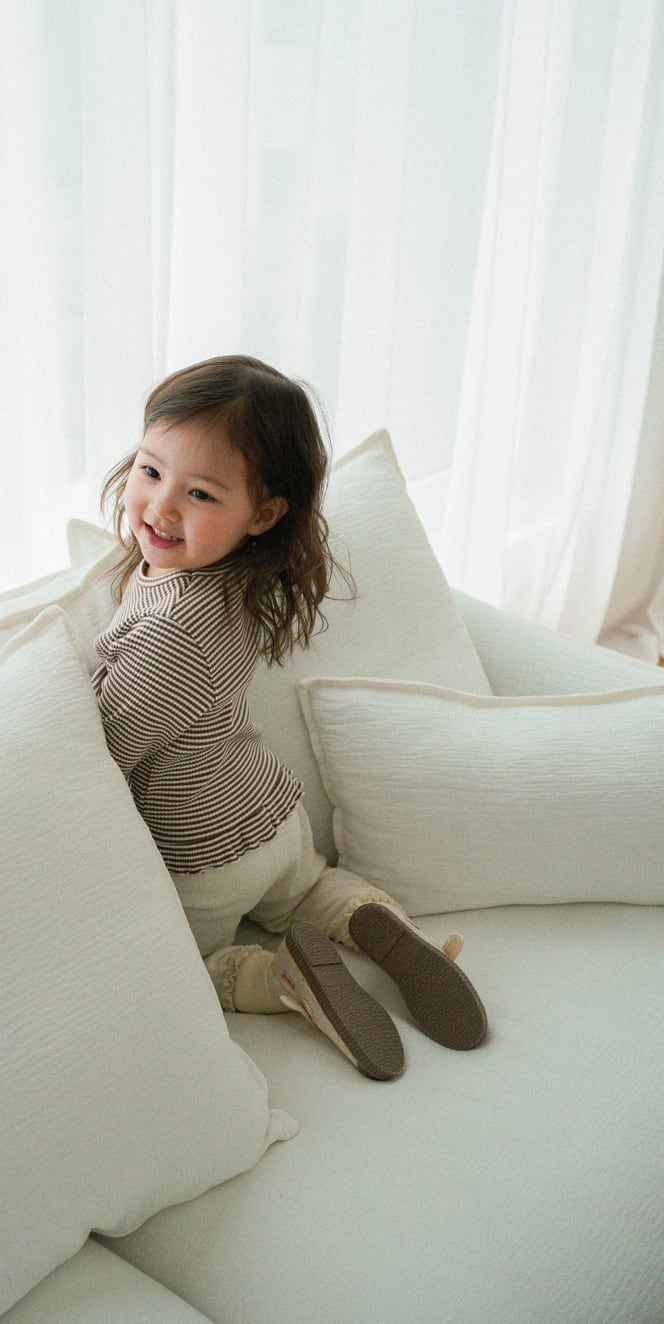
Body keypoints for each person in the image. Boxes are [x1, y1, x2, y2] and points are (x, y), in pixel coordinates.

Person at [92, 355, 486, 1080]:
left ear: (264, 514)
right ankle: (378, 924)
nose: (161, 507)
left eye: (199, 493)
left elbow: (105, 749)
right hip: (274, 814)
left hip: (202, 853)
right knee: (310, 888)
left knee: (193, 964)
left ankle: (282, 981)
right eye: (151, 471)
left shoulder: (174, 634)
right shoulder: (237, 580)